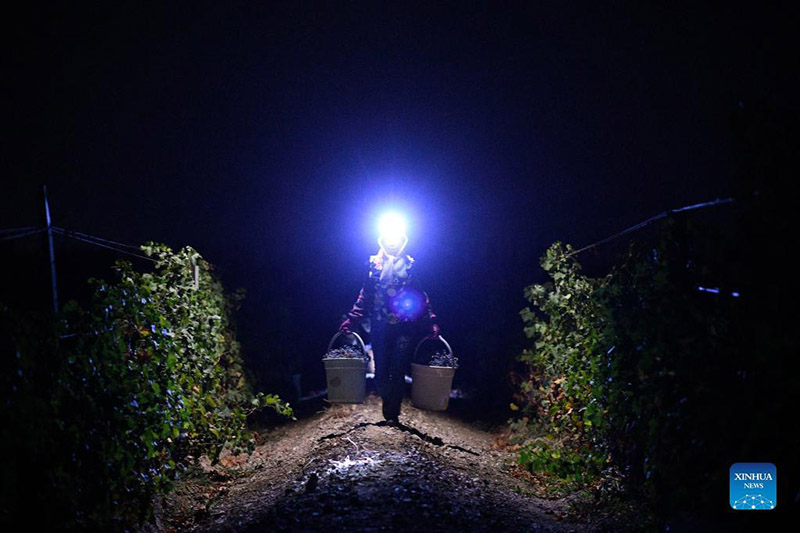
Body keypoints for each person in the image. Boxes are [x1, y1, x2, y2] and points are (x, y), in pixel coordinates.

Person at [339, 228, 439, 424]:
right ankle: (388, 402)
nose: (392, 243)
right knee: (381, 371)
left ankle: (392, 413)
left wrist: (431, 321)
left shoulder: (410, 265)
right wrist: (352, 318)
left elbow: (421, 295)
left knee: (398, 367)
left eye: (397, 239)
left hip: (405, 326)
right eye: (389, 239)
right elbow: (365, 294)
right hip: (380, 326)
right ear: (382, 241)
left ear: (403, 241)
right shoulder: (373, 265)